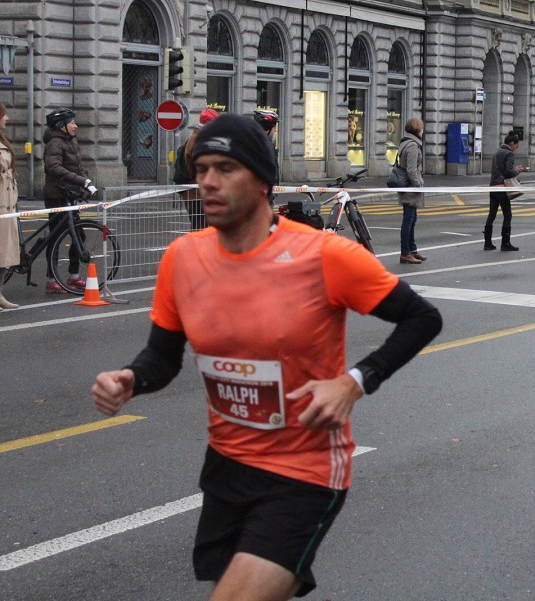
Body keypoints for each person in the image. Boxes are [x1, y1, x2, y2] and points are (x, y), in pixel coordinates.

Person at [90, 113, 442, 601]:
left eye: (225, 169)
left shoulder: (323, 256)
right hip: (227, 466)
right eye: (201, 169)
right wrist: (130, 378)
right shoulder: (183, 258)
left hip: (305, 469)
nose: (208, 182)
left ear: (262, 180)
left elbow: (422, 318)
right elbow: (163, 356)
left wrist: (354, 382)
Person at [43, 107, 96, 294]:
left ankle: (73, 275)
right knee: (55, 236)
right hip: (56, 195)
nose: (76, 125)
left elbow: (78, 167)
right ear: (62, 126)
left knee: (78, 235)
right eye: (72, 122)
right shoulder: (55, 143)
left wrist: (86, 184)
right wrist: (81, 181)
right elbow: (54, 168)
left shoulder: (70, 141)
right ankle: (51, 279)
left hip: (69, 194)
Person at [174, 109, 220, 231]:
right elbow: (200, 166)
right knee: (201, 229)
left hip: (195, 192)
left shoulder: (197, 138)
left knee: (202, 228)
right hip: (197, 193)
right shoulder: (200, 140)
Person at [484, 133, 525, 251]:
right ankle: (505, 243)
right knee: (507, 215)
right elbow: (508, 172)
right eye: (516, 146)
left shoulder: (497, 153)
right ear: (512, 143)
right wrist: (517, 170)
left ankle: (487, 242)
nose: (516, 149)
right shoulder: (509, 154)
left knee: (492, 214)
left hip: (493, 186)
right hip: (502, 187)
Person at [397, 117, 426, 264]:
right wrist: (418, 184)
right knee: (409, 219)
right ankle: (405, 253)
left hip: (407, 185)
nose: (423, 131)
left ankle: (412, 249)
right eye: (421, 128)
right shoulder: (413, 146)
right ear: (417, 130)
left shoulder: (405, 143)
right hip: (410, 186)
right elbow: (411, 170)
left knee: (412, 218)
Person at [0, 104, 18, 309]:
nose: (7, 118)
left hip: (7, 206)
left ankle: (0, 294)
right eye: (4, 114)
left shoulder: (3, 141)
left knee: (4, 255)